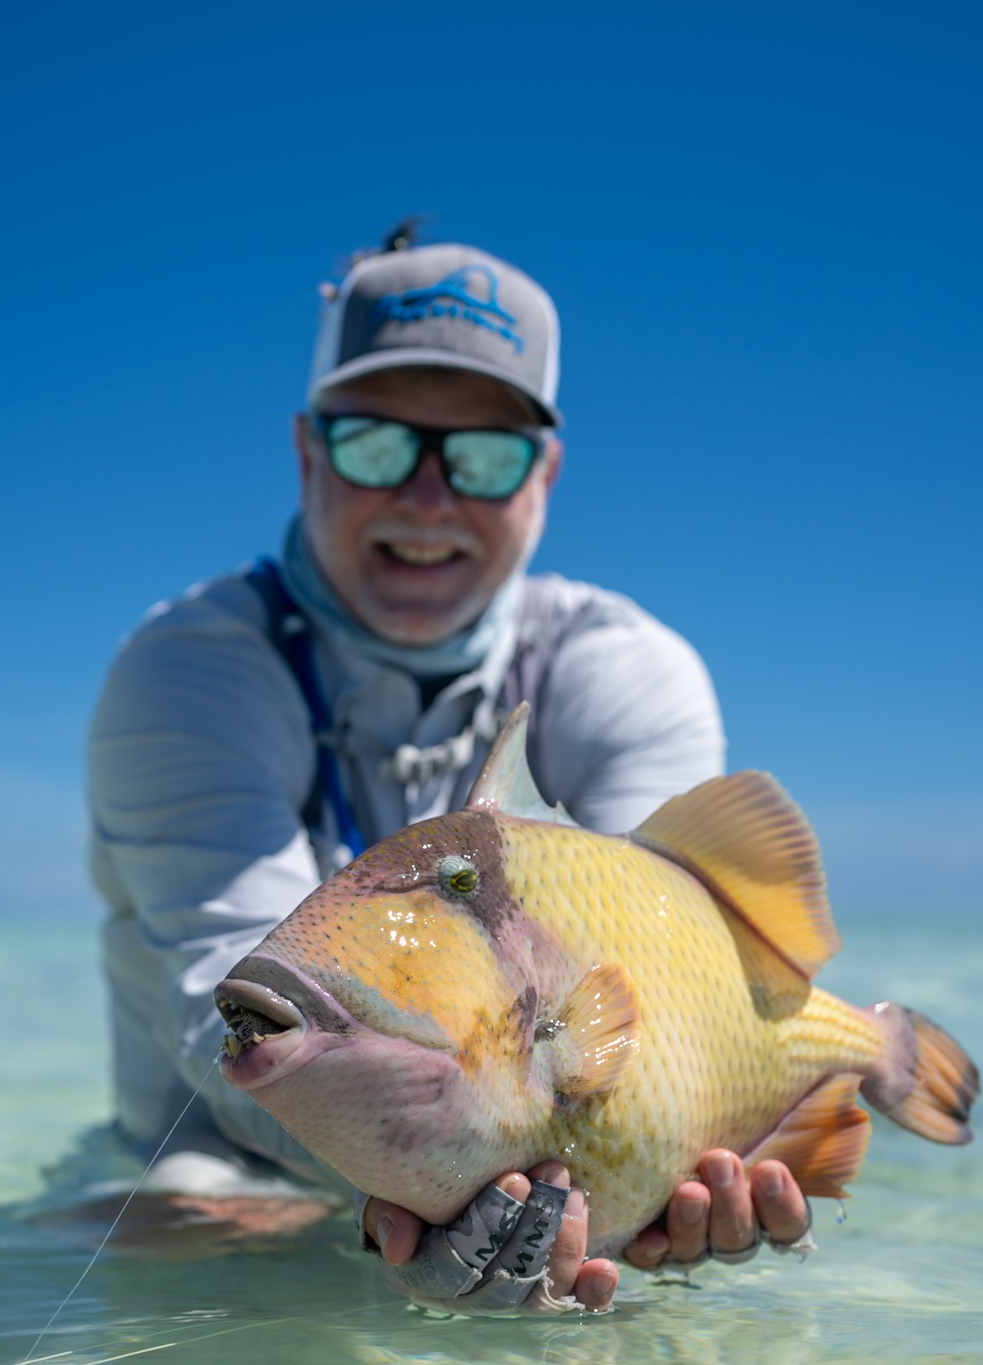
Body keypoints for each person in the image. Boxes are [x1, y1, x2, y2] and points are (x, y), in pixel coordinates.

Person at [87, 230, 813, 1312]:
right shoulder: (190, 670)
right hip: (224, 1182)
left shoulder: (626, 668)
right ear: (307, 452)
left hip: (542, 1160)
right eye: (378, 443)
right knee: (175, 1235)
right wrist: (421, 1170)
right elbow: (221, 1011)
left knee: (636, 1299)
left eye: (483, 457)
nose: (429, 498)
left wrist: (679, 1166)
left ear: (545, 475)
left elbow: (665, 983)